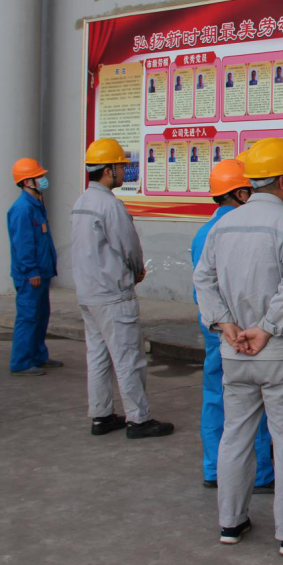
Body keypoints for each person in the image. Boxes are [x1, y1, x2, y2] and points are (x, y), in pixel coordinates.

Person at [193, 138, 283, 557]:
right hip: (279, 353)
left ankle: (231, 522)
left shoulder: (222, 225)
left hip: (235, 350)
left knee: (235, 436)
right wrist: (267, 329)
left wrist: (225, 323)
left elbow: (203, 280)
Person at [72, 138, 173, 438]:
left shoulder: (81, 203)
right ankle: (139, 420)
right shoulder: (109, 205)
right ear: (108, 170)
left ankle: (101, 416)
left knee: (98, 356)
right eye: (120, 166)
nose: (124, 170)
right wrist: (137, 270)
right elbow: (129, 246)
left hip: (88, 293)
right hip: (112, 295)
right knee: (128, 357)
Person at [191, 159, 275, 494]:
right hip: (247, 332)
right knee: (253, 402)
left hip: (215, 328)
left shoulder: (204, 231)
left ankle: (214, 468)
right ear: (241, 193)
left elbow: (202, 285)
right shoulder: (248, 229)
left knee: (215, 396)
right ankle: (260, 473)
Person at [7, 158, 60, 377]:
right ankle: (21, 362)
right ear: (27, 182)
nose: (43, 179)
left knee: (40, 316)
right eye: (39, 177)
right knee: (28, 317)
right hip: (30, 275)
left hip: (41, 272)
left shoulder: (36, 204)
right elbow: (23, 244)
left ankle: (38, 356)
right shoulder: (22, 209)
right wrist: (31, 271)